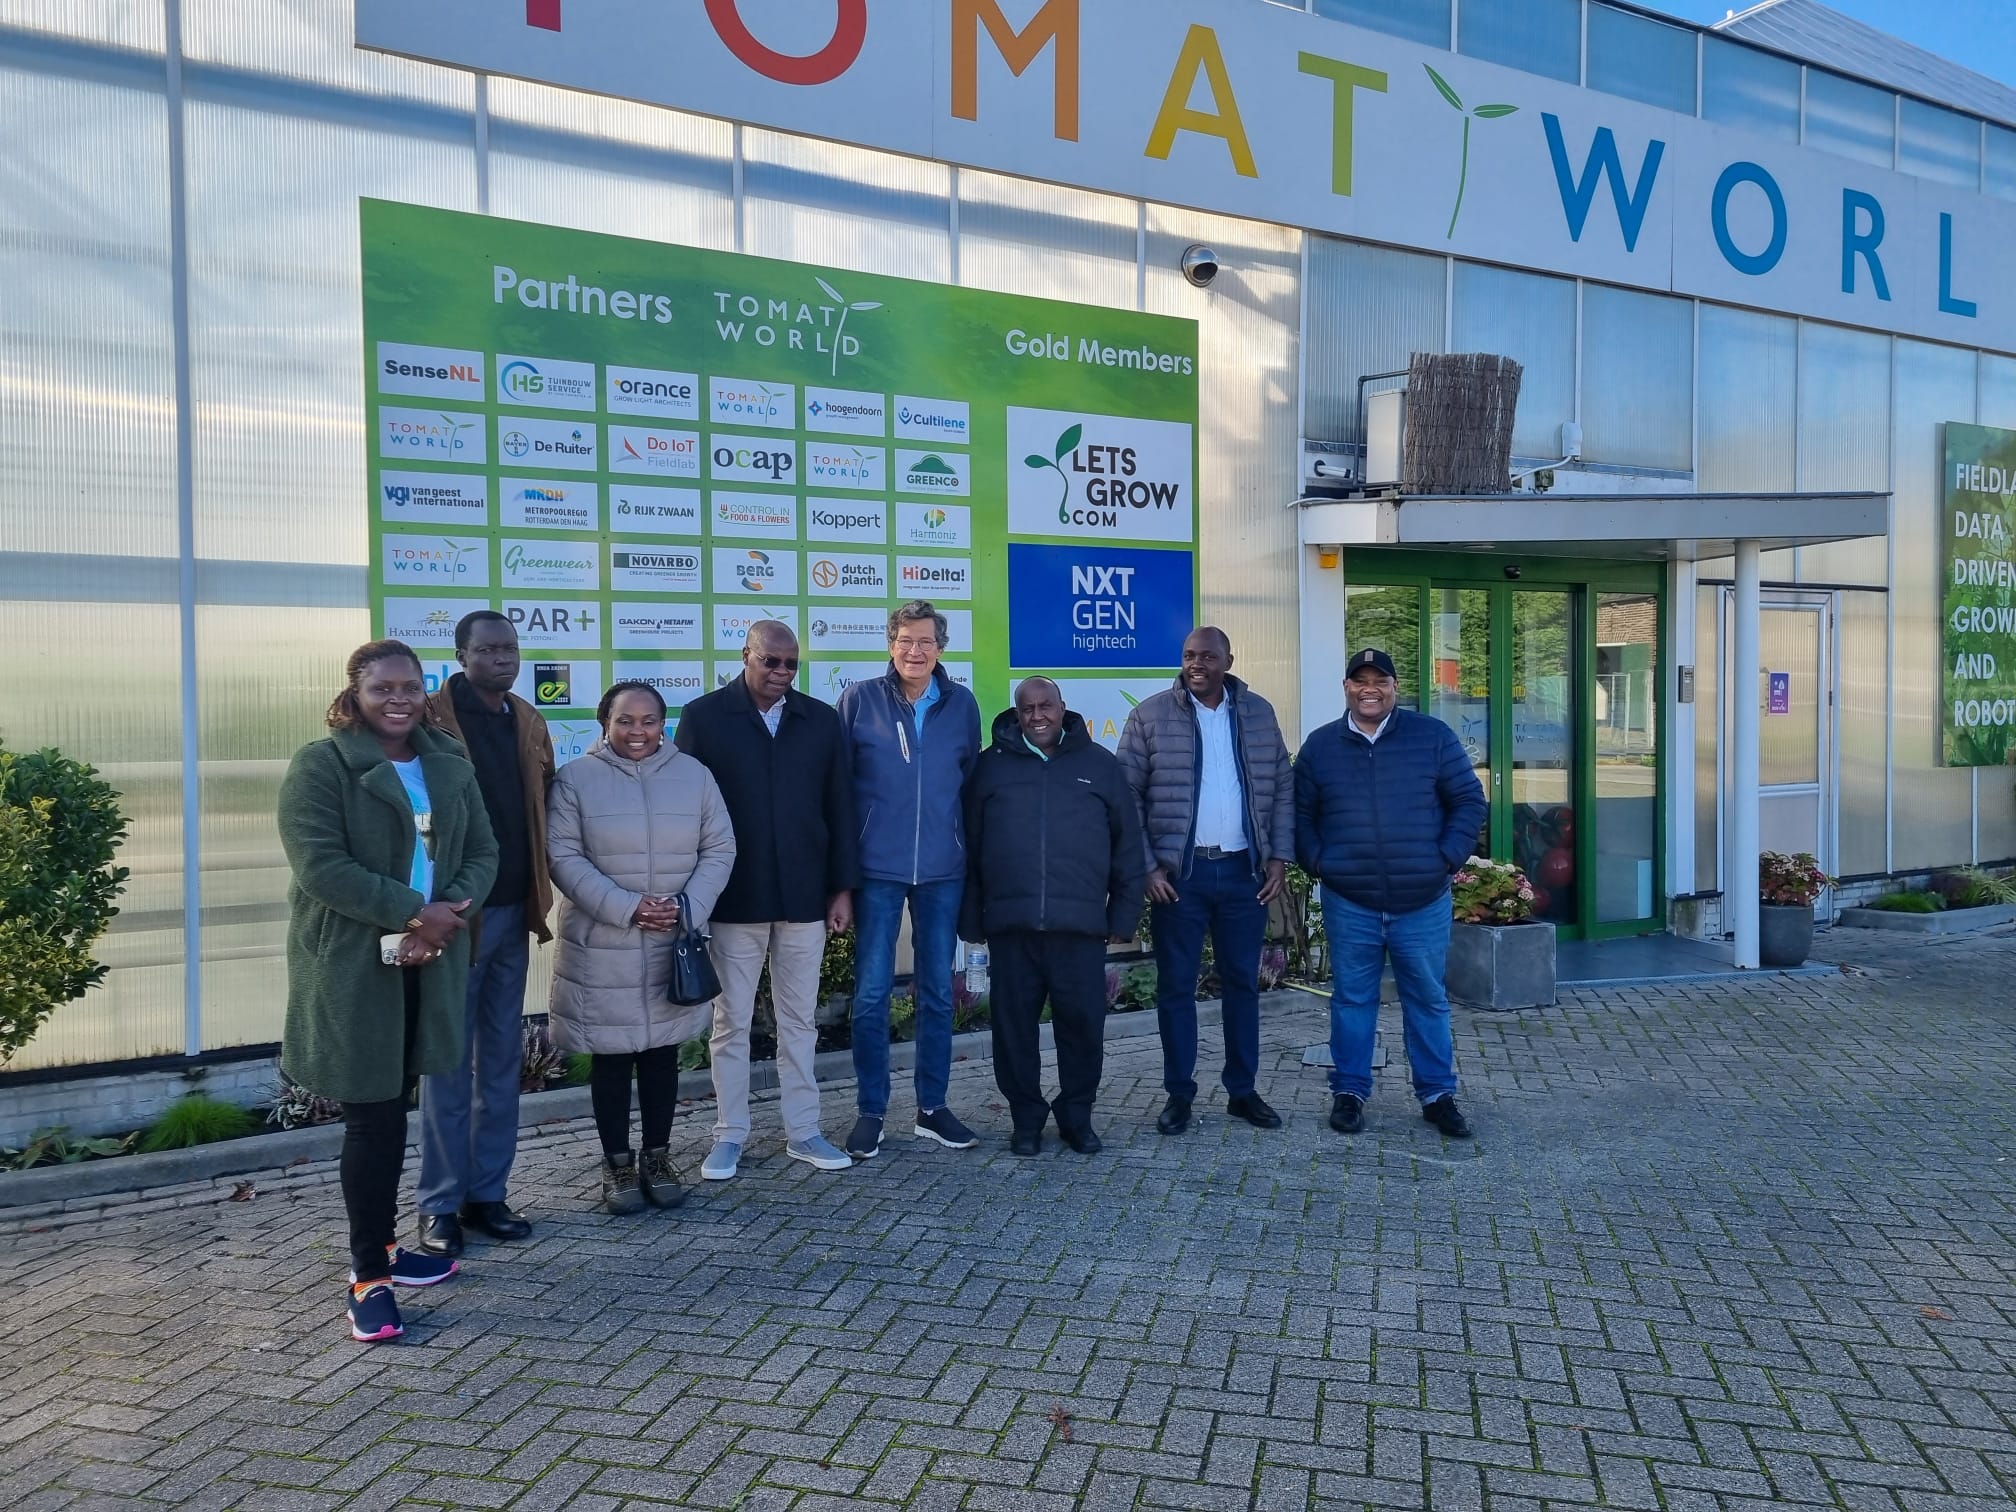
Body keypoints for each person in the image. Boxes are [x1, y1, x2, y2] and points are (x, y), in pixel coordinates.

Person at [278, 638, 498, 1344]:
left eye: (409, 686)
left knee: (398, 1103)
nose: (398, 698)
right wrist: (414, 911)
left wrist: (450, 912)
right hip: (355, 962)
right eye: (382, 688)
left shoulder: (448, 762)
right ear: (356, 693)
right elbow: (320, 867)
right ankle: (368, 1273)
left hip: (430, 956)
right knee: (372, 1118)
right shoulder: (322, 764)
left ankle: (389, 1247)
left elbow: (484, 851)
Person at [674, 620, 858, 1178]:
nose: (780, 673)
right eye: (770, 661)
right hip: (733, 897)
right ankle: (729, 1135)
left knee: (800, 1021)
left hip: (805, 896)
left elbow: (841, 808)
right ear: (745, 655)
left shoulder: (821, 720)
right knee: (730, 1024)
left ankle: (804, 1131)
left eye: (791, 664)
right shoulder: (703, 718)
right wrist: (694, 898)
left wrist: (842, 888)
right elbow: (686, 813)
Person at [546, 680, 735, 1213]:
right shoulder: (576, 779)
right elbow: (563, 855)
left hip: (670, 941)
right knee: (610, 1058)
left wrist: (685, 907)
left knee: (660, 1055)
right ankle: (617, 1165)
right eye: (626, 720)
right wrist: (627, 907)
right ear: (605, 721)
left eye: (649, 720)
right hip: (603, 943)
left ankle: (657, 1156)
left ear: (663, 723)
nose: (638, 731)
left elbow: (720, 846)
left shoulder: (693, 776)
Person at [1295, 647, 1489, 1140]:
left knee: (1426, 999)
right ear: (1346, 688)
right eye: (1359, 680)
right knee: (1353, 1000)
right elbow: (1299, 814)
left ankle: (1437, 1096)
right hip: (1351, 900)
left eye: (1379, 680)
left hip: (1421, 899)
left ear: (1394, 687)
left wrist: (1446, 857)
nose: (1369, 689)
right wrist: (1318, 861)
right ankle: (1350, 1092)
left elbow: (1468, 800)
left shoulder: (1432, 737)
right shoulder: (1320, 747)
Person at [415, 610, 555, 1258]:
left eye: (510, 648)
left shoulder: (527, 721)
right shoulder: (429, 720)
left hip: (513, 913)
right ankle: (439, 1205)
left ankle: (487, 1194)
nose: (502, 658)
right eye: (487, 649)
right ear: (461, 655)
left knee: (500, 1062)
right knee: (447, 1064)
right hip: (453, 920)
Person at [1116, 626, 1295, 1137]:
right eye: (1190, 656)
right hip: (1182, 876)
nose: (1197, 664)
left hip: (1245, 874)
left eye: (1208, 656)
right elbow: (1125, 796)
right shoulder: (1149, 715)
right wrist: (1148, 865)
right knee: (1176, 987)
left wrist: (1279, 855)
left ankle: (1243, 1092)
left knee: (1242, 984)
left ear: (1228, 660)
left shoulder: (1259, 713)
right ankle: (1179, 1095)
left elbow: (1282, 786)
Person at [961, 678, 1146, 1157]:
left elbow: (1127, 846)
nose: (1037, 715)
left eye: (1046, 706)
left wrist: (1123, 917)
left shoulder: (1099, 766)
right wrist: (971, 920)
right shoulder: (990, 767)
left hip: (1080, 928)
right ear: (1016, 713)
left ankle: (1076, 1115)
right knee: (1013, 1030)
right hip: (1012, 926)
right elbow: (971, 848)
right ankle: (1025, 1119)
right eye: (1027, 708)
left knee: (1083, 1028)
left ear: (1064, 709)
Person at [835, 600, 984, 1160]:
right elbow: (839, 789)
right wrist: (841, 876)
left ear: (940, 648)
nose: (914, 651)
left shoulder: (960, 704)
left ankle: (932, 1108)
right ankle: (872, 1111)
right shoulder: (859, 700)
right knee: (872, 995)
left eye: (925, 642)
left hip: (943, 871)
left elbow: (967, 784)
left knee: (938, 994)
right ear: (890, 644)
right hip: (876, 870)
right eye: (904, 640)